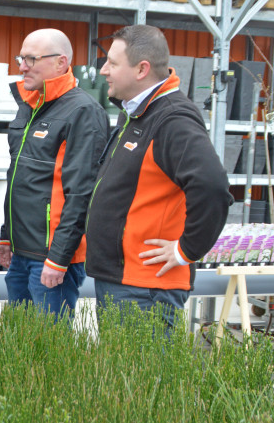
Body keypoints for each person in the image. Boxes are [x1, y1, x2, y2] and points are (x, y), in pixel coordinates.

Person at [85, 25, 232, 327]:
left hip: (145, 289)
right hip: (124, 281)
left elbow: (212, 186)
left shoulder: (172, 119)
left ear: (142, 69)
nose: (103, 71)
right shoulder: (138, 113)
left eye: (112, 63)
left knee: (138, 375)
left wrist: (186, 250)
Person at [0, 29, 109, 317]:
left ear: (61, 63)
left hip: (51, 259)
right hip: (23, 253)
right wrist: (7, 237)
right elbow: (18, 178)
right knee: (19, 346)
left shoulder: (83, 111)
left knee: (48, 352)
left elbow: (81, 193)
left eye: (31, 59)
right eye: (21, 58)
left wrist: (58, 258)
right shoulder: (30, 105)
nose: (22, 66)